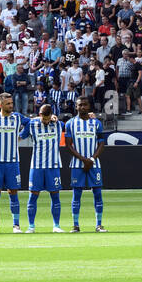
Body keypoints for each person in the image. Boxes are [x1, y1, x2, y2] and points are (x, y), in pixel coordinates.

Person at [0, 92, 29, 233]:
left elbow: (32, 124)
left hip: (12, 161)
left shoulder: (17, 117)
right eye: (8, 103)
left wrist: (21, 136)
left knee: (13, 191)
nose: (11, 106)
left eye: (11, 103)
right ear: (0, 104)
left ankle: (16, 225)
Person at [63, 98, 106, 232]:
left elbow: (101, 144)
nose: (82, 107)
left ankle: (99, 224)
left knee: (97, 193)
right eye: (79, 105)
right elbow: (68, 145)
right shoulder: (70, 123)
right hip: (77, 164)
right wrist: (83, 159)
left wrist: (91, 159)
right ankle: (76, 225)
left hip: (94, 164)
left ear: (89, 106)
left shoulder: (96, 123)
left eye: (84, 105)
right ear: (76, 107)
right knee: (77, 194)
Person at [25, 105, 64, 233]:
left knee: (55, 196)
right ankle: (31, 226)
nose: (46, 121)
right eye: (44, 119)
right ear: (40, 115)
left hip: (53, 166)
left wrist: (91, 115)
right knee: (33, 196)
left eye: (48, 119)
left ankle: (56, 226)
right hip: (36, 166)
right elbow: (21, 134)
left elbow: (71, 123)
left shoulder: (58, 124)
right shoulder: (32, 124)